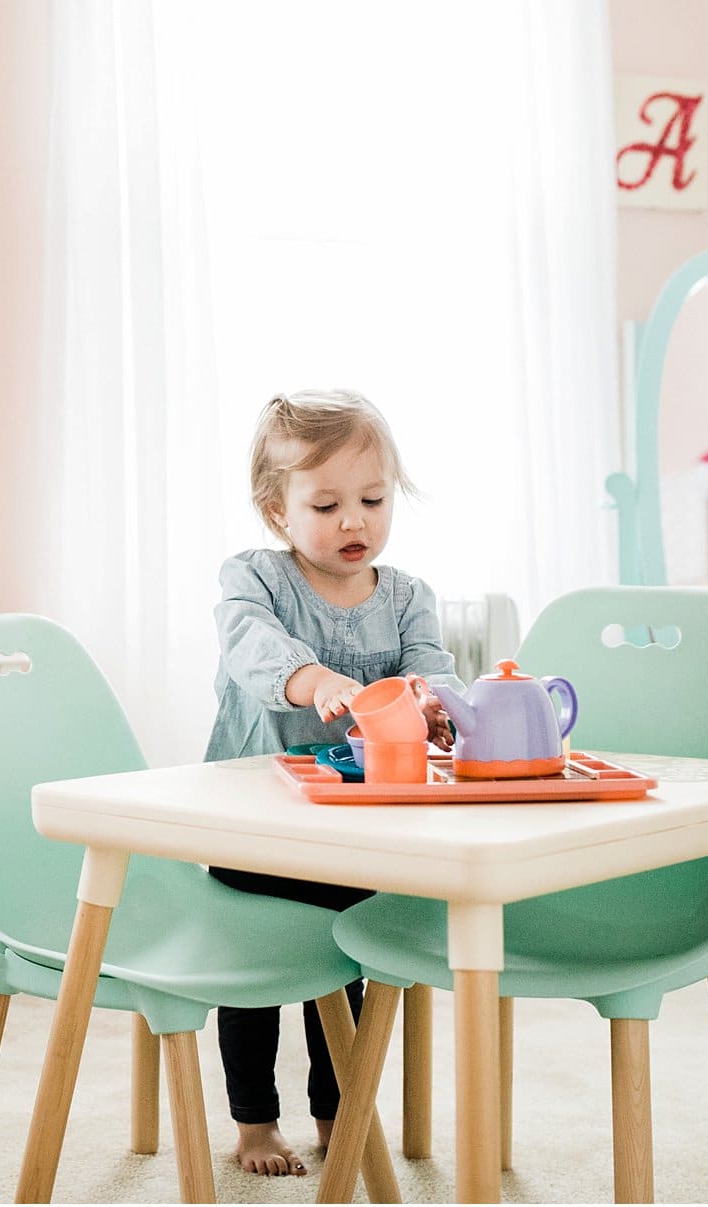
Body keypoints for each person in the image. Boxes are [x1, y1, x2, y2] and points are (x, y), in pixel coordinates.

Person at [207, 389, 457, 1176]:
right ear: (277, 511)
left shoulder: (410, 596)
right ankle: (253, 1121)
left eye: (373, 499)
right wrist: (314, 680)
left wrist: (436, 704)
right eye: (327, 503)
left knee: (348, 963)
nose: (356, 521)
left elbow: (435, 672)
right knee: (252, 972)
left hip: (354, 832)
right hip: (253, 823)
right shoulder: (257, 579)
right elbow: (250, 645)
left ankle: (335, 1109)